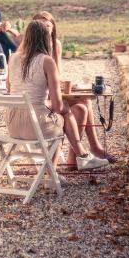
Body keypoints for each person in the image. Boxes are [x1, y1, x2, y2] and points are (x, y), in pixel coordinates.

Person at [7, 19, 109, 171]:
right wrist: (55, 105)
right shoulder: (47, 61)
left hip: (13, 126)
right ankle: (78, 159)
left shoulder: (13, 58)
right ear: (46, 38)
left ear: (26, 37)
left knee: (60, 115)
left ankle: (76, 161)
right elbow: (57, 106)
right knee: (64, 113)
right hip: (35, 129)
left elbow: (9, 89)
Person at [33, 10, 115, 164]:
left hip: (51, 91)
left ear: (53, 27)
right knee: (83, 104)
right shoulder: (32, 48)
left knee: (82, 105)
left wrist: (65, 84)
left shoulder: (55, 44)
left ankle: (79, 155)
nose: (45, 29)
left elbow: (57, 73)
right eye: (41, 26)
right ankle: (89, 150)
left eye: (48, 26)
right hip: (42, 97)